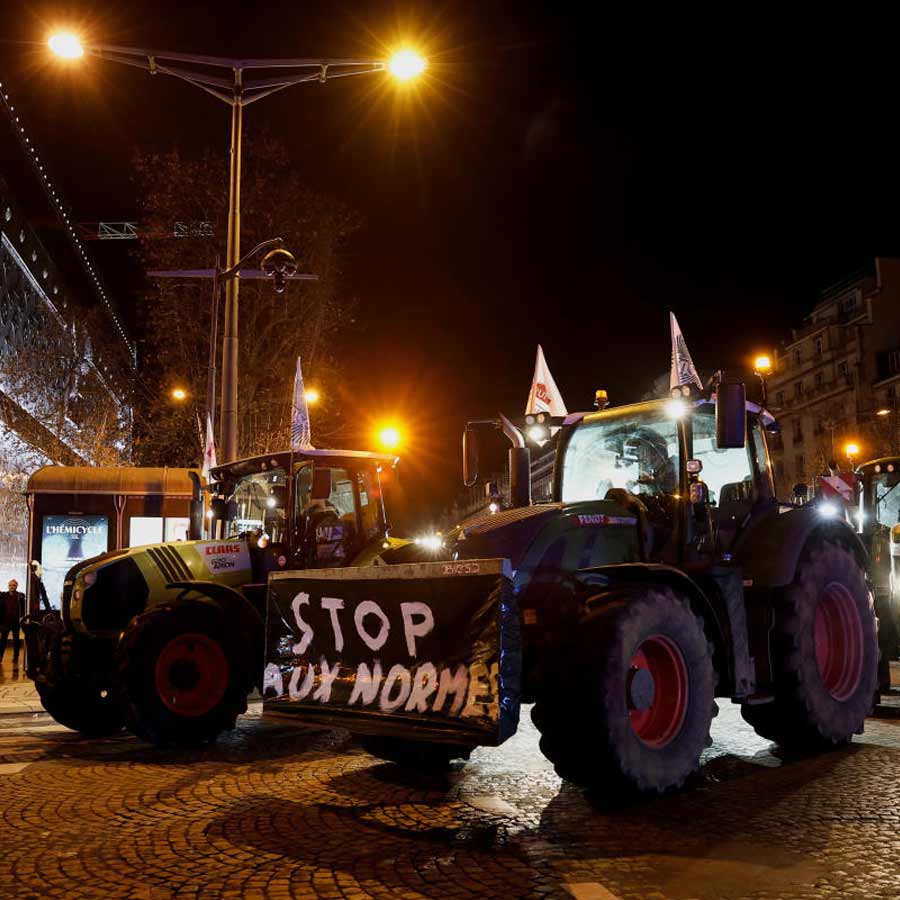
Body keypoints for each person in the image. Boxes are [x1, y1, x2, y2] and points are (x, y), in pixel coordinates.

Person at [0, 579, 26, 669]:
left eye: (14, 585)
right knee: (3, 641)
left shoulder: (20, 596)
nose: (12, 587)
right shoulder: (3, 596)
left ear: (16, 586)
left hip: (15, 622)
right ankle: (0, 657)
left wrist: (22, 617)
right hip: (5, 622)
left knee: (16, 641)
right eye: (10, 585)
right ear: (8, 586)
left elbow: (23, 607)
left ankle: (15, 657)